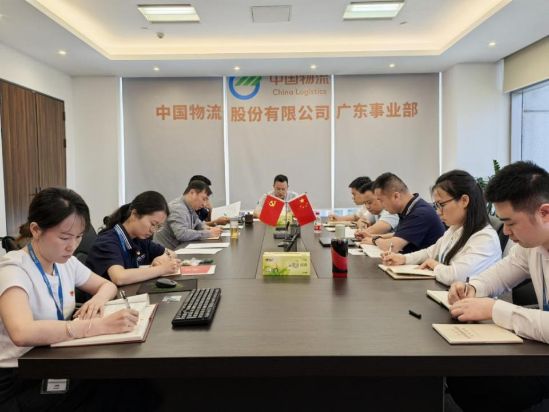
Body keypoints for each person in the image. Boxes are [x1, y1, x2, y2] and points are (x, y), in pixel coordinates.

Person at [0, 188, 142, 410]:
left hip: (54, 359)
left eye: (78, 237)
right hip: (19, 376)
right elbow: (22, 332)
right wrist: (97, 326)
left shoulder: (65, 262)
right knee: (115, 389)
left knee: (129, 383)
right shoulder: (14, 268)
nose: (72, 246)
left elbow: (107, 285)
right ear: (36, 230)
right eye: (64, 237)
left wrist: (96, 300)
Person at [446, 161, 549, 411]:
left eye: (511, 223)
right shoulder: (533, 245)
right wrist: (473, 288)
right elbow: (502, 273)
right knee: (465, 373)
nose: (507, 232)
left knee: (483, 385)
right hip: (540, 349)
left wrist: (494, 309)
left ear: (545, 213)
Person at [381, 170, 501, 286]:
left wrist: (434, 265)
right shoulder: (455, 229)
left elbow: (456, 277)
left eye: (441, 205)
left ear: (464, 201)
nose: (438, 212)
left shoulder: (485, 238)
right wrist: (403, 259)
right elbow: (430, 252)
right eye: (436, 205)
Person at [86, 191, 181, 286]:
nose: (153, 230)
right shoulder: (107, 241)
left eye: (158, 226)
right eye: (153, 224)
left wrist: (161, 258)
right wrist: (161, 269)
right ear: (134, 214)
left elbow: (172, 253)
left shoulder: (140, 239)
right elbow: (119, 278)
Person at [361, 172, 445, 253]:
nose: (382, 205)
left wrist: (375, 240)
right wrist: (373, 236)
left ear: (396, 196)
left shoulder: (420, 213)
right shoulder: (409, 208)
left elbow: (393, 246)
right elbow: (401, 235)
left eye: (381, 200)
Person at [154, 180, 223, 249]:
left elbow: (199, 224)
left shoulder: (190, 207)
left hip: (179, 249)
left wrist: (210, 229)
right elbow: (181, 234)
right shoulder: (177, 208)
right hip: (166, 252)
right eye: (203, 199)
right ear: (192, 193)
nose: (204, 204)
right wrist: (209, 233)